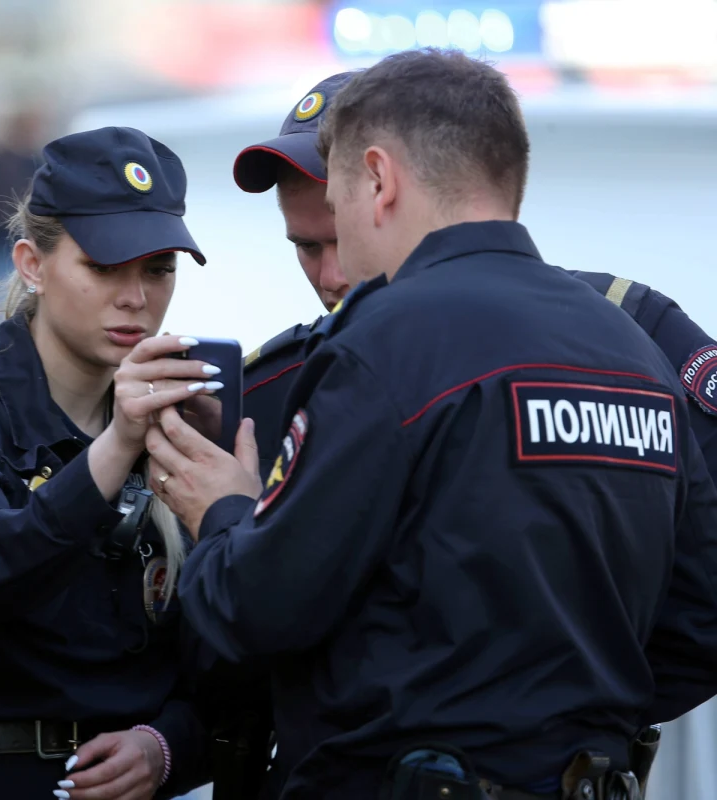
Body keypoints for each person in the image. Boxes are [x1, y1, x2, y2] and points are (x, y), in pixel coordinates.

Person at [145, 49, 717, 799]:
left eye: (338, 201)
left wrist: (221, 509)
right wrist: (559, 729)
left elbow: (255, 609)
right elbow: (703, 617)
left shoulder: (386, 345)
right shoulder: (633, 349)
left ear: (378, 179)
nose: (335, 260)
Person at [0, 127, 219, 799]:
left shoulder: (183, 421)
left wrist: (167, 747)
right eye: (103, 267)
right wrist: (116, 449)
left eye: (158, 268)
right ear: (32, 264)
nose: (135, 297)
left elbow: (234, 648)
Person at [232, 73, 352, 478]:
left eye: (347, 241)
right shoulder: (259, 401)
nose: (331, 279)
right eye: (308, 247)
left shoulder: (500, 365)